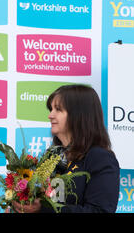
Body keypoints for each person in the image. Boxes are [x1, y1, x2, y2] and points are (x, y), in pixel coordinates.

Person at [12, 84, 120, 213]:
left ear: (79, 115)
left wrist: (43, 209)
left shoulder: (99, 158)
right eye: (51, 109)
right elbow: (42, 200)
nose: (50, 115)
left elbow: (100, 211)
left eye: (58, 109)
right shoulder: (52, 155)